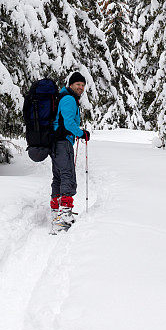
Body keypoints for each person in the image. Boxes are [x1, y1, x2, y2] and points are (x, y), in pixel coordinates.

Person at [50, 71, 90, 231]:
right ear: (71, 85)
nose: (80, 88)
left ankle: (56, 211)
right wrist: (82, 133)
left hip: (56, 142)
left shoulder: (64, 97)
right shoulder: (68, 99)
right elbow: (68, 123)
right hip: (62, 142)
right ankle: (64, 217)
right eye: (78, 84)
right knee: (67, 175)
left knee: (58, 177)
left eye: (82, 85)